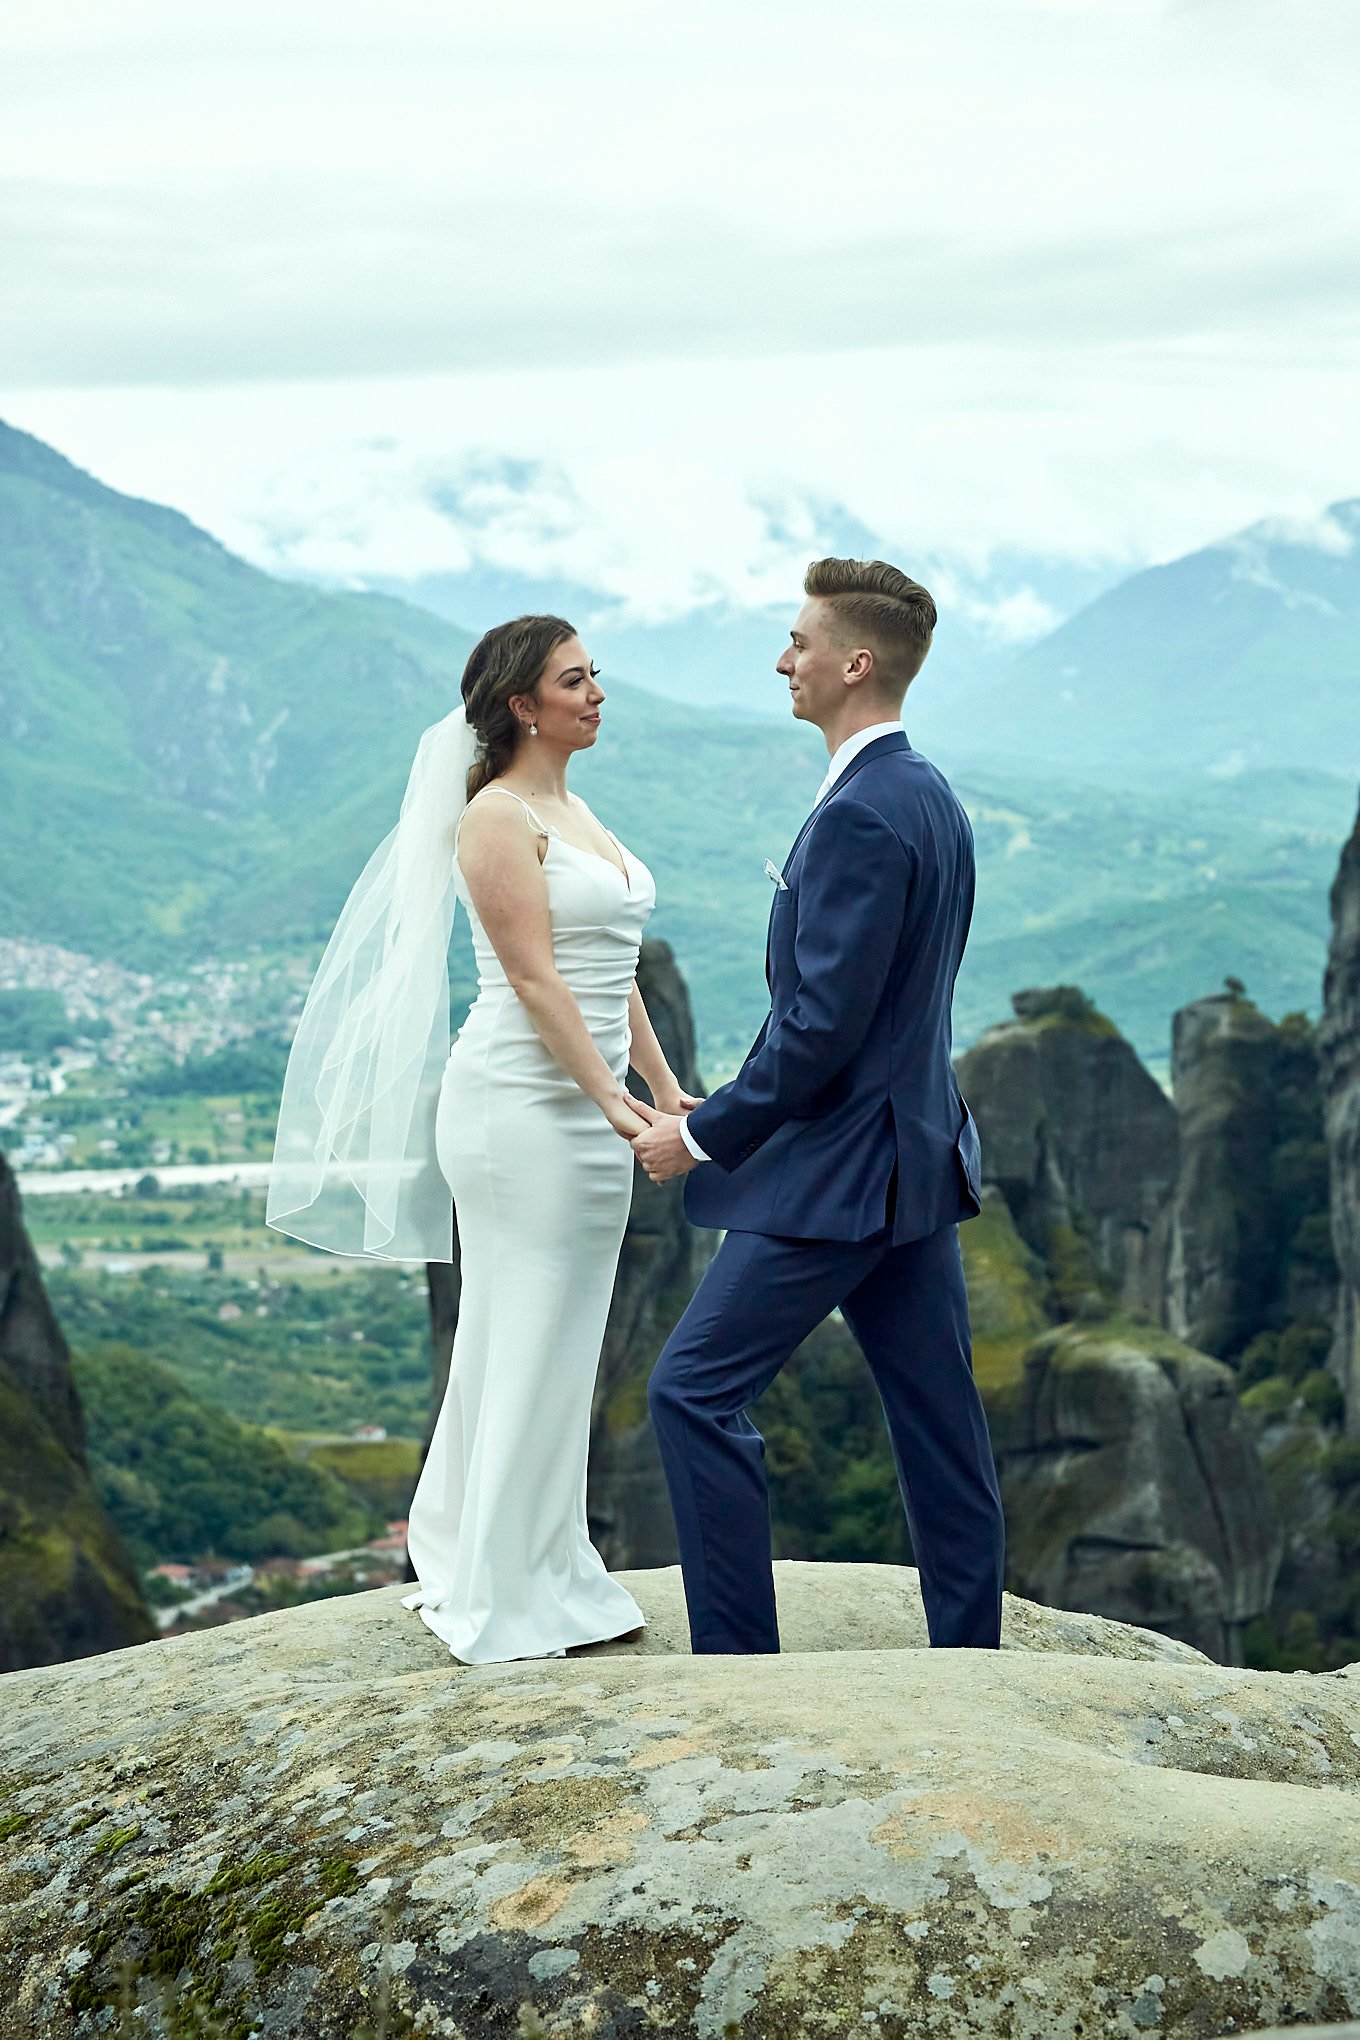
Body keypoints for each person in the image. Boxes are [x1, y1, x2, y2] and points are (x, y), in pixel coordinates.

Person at [268, 615, 697, 1663]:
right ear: (521, 704)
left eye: (595, 677)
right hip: (517, 1107)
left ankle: (530, 1559)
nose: (596, 694)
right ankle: (502, 1585)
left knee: (553, 1334)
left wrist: (666, 1087)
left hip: (585, 1100)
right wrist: (607, 1100)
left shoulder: (576, 807)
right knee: (522, 1326)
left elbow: (611, 971)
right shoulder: (495, 817)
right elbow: (532, 978)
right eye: (573, 681)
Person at [630, 557, 1006, 1656]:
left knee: (692, 1393)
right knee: (941, 1428)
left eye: (797, 641)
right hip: (915, 1160)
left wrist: (698, 1133)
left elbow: (821, 1028)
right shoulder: (926, 792)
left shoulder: (859, 813)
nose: (781, 659)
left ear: (854, 662)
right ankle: (968, 1659)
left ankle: (741, 1664)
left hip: (838, 1175)